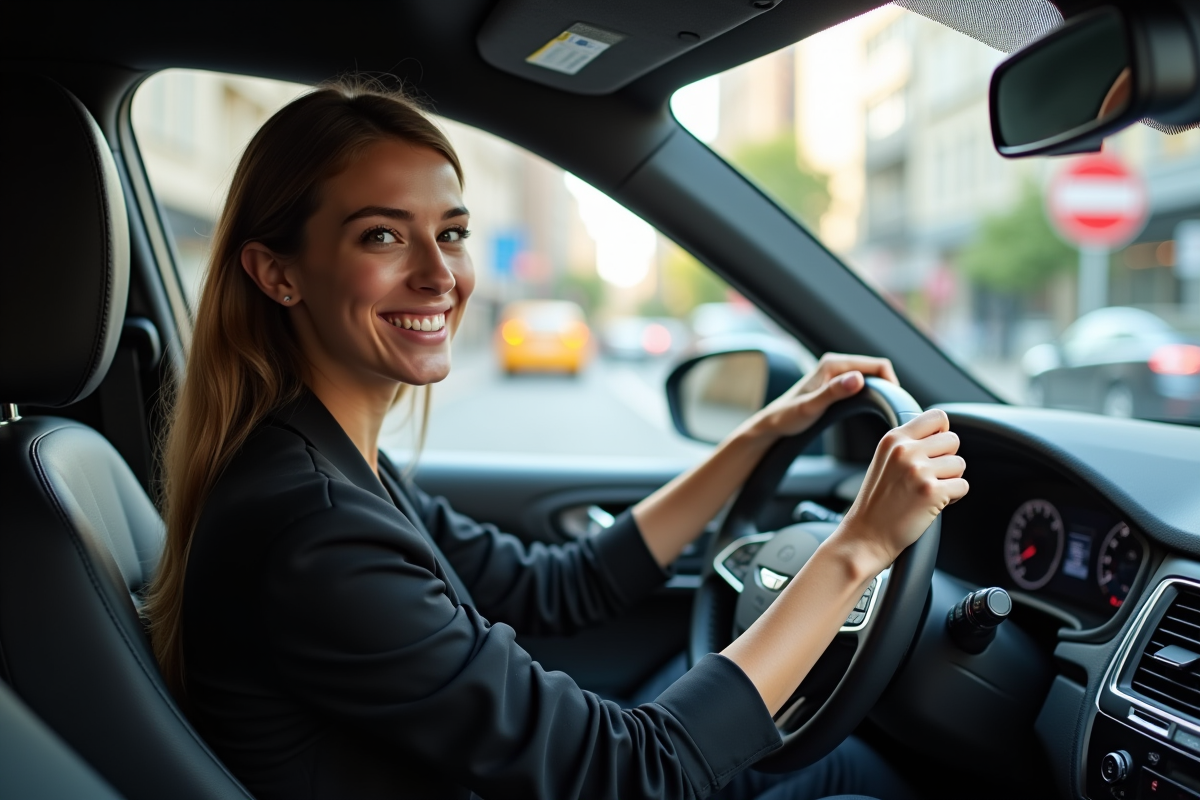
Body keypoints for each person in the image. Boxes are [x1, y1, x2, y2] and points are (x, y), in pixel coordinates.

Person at [144, 81, 967, 800]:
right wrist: (856, 549)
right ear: (277, 272)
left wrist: (763, 430)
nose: (440, 273)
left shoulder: (332, 465)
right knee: (845, 782)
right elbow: (636, 776)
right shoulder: (315, 531)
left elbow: (558, 588)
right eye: (383, 236)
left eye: (453, 231)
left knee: (832, 766)